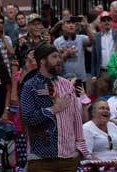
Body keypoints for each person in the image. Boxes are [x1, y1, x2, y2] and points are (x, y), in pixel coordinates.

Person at [20, 43, 89, 171]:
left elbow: (77, 118)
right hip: (41, 159)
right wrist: (52, 110)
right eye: (54, 57)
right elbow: (28, 118)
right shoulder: (30, 86)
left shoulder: (67, 85)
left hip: (69, 158)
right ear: (42, 61)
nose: (59, 60)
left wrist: (80, 149)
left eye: (59, 56)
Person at [82, 99, 117, 167]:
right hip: (96, 167)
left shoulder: (112, 125)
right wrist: (109, 163)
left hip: (116, 165)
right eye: (102, 108)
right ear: (93, 112)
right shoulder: (86, 128)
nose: (106, 111)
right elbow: (87, 155)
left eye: (108, 109)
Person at [53, 16, 94, 82]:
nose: (71, 25)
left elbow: (93, 41)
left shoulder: (81, 38)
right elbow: (55, 62)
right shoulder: (57, 42)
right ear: (63, 26)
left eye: (73, 23)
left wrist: (86, 26)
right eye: (68, 23)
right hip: (64, 80)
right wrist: (66, 55)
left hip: (80, 79)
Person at [91, 11, 116, 79]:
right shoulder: (97, 37)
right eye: (104, 20)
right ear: (101, 23)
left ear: (112, 22)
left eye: (108, 20)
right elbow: (94, 57)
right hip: (102, 73)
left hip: (116, 71)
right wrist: (93, 75)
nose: (106, 22)